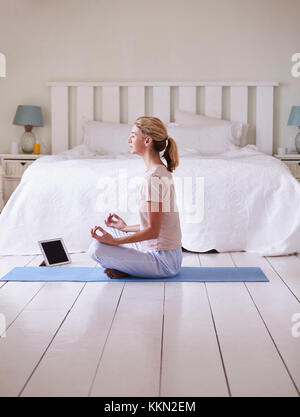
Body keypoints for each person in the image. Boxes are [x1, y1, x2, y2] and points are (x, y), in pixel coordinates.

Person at [88, 116, 182, 278]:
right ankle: (129, 266)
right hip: (166, 253)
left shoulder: (154, 178)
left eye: (133, 135)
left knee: (96, 249)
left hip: (164, 261)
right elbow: (157, 224)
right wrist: (124, 228)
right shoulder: (160, 171)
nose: (129, 140)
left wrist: (115, 242)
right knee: (111, 233)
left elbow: (153, 231)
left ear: (147, 141)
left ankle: (128, 268)